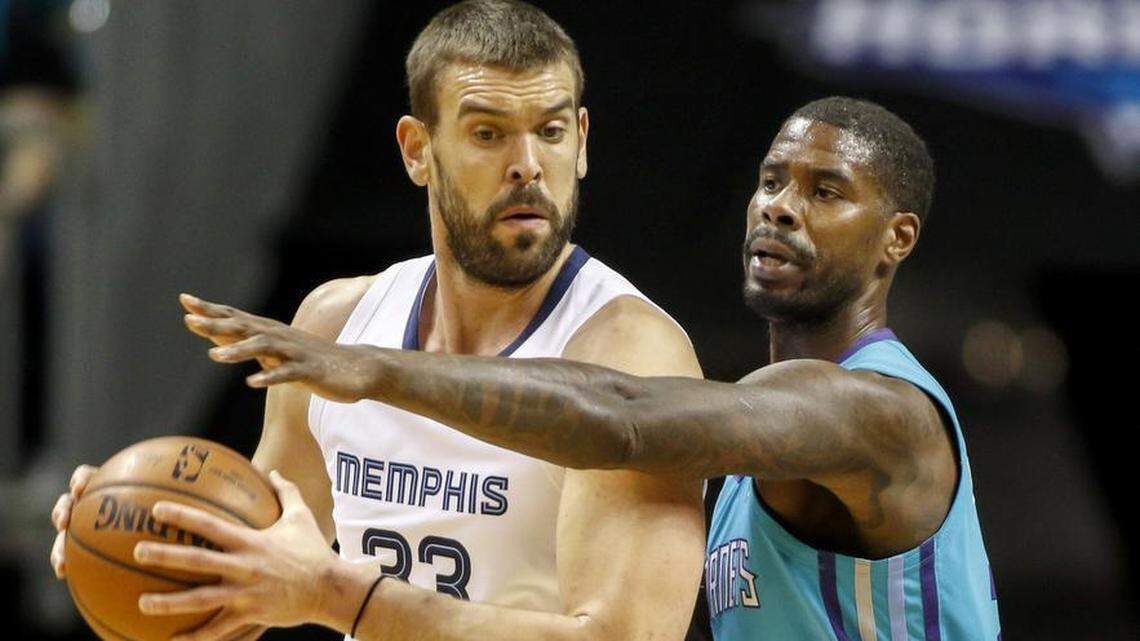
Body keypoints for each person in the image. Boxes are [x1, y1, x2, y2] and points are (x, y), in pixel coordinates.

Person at [158, 97, 1002, 640]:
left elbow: (623, 416)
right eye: (772, 179)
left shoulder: (876, 414)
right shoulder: (774, 420)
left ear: (896, 238)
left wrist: (376, 369)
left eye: (825, 191)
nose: (779, 206)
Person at [50, 2, 706, 640]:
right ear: (418, 150)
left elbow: (626, 636)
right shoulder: (337, 326)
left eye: (551, 131)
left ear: (582, 140)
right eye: (488, 133)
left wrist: (338, 598)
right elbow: (244, 598)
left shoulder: (629, 354)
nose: (528, 165)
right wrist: (130, 540)